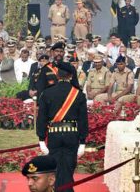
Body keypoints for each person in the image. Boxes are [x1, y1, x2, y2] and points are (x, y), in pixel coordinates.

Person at [37, 63, 88, 192]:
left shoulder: (47, 93)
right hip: (72, 135)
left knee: (56, 170)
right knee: (69, 168)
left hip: (54, 134)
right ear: (71, 76)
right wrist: (82, 142)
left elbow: (41, 118)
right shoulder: (78, 94)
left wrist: (41, 139)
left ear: (57, 75)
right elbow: (83, 120)